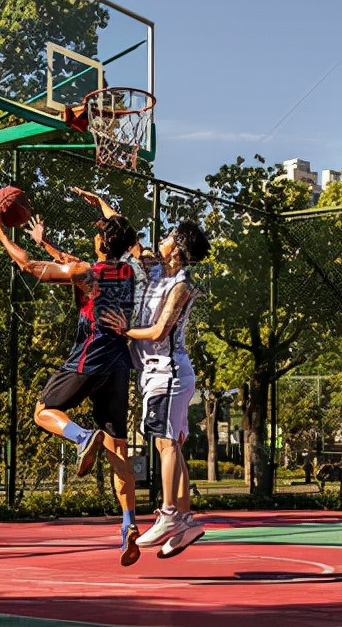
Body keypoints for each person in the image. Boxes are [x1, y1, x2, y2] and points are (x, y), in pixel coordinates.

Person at [0, 195, 143, 566]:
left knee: (44, 411)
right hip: (120, 365)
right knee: (119, 449)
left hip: (89, 357)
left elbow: (27, 266)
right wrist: (99, 208)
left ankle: (82, 437)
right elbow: (81, 260)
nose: (94, 236)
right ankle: (129, 524)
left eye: (98, 233)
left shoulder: (86, 272)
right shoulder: (132, 270)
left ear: (103, 243)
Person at [102, 220, 211, 559]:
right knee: (173, 445)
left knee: (165, 444)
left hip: (168, 371)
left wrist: (126, 331)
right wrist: (102, 208)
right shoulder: (154, 269)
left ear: (176, 249)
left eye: (166, 238)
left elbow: (160, 331)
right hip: (162, 373)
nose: (159, 241)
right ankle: (185, 520)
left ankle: (168, 515)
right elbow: (128, 234)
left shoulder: (181, 285)